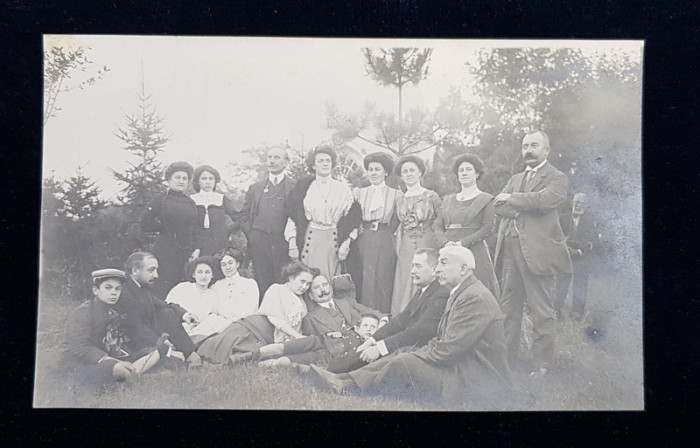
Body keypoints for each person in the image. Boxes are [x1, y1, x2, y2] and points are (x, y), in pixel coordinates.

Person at [307, 246, 511, 405]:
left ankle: (346, 386)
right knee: (402, 355)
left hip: (475, 380)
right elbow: (439, 339)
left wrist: (415, 354)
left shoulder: (473, 297)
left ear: (463, 268)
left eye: (443, 263)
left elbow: (448, 351)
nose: (437, 268)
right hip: (462, 369)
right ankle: (341, 380)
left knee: (403, 360)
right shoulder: (462, 292)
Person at [493, 131, 572, 377]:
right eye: (525, 145)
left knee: (542, 311)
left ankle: (542, 365)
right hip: (509, 251)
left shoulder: (557, 178)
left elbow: (546, 201)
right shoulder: (516, 178)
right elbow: (498, 206)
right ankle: (506, 361)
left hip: (540, 254)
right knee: (508, 309)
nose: (528, 150)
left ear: (546, 150)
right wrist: (522, 207)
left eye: (534, 145)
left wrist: (513, 200)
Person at [248, 272, 384, 371]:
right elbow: (314, 343)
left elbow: (379, 315)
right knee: (288, 358)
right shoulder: (310, 318)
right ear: (311, 296)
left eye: (325, 285)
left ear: (331, 288)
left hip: (359, 350)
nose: (323, 289)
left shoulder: (347, 302)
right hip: (330, 350)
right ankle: (251, 359)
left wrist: (378, 328)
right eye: (317, 288)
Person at [196, 260, 316, 365]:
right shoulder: (277, 289)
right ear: (291, 278)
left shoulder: (301, 302)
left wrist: (297, 338)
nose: (305, 286)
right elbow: (276, 319)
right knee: (218, 346)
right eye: (302, 281)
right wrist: (297, 336)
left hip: (267, 336)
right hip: (253, 328)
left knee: (243, 355)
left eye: (308, 284)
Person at [65, 269, 167, 385]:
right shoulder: (84, 312)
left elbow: (115, 343)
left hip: (109, 358)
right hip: (86, 363)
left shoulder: (114, 312)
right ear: (96, 290)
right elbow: (80, 348)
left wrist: (123, 355)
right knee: (117, 367)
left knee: (154, 352)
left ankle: (129, 374)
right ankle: (128, 375)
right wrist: (114, 361)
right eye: (108, 288)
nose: (114, 293)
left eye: (117, 289)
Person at [355, 248, 450, 365]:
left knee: (367, 368)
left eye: (418, 266)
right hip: (409, 348)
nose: (412, 271)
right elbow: (400, 321)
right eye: (412, 266)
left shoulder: (441, 295)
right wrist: (371, 340)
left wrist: (380, 348)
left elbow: (419, 332)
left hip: (420, 353)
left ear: (434, 270)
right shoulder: (423, 291)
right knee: (357, 358)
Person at [285, 145, 361, 282]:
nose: (325, 164)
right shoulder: (304, 188)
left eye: (328, 160)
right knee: (308, 279)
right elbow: (293, 218)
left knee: (332, 280)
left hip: (333, 241)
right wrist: (292, 244)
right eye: (320, 161)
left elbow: (352, 219)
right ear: (313, 166)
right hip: (311, 240)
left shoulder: (342, 189)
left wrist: (347, 243)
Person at [114, 252, 203, 368]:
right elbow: (136, 331)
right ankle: (189, 358)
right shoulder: (125, 293)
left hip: (145, 337)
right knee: (174, 359)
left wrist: (185, 315)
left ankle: (191, 356)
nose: (156, 275)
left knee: (167, 314)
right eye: (151, 270)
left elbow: (163, 305)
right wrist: (166, 349)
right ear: (135, 271)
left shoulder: (140, 287)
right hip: (132, 346)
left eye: (156, 270)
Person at [434, 153, 500, 298]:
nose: (464, 173)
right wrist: (446, 243)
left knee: (476, 290)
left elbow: (488, 228)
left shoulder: (486, 199)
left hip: (474, 251)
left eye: (468, 169)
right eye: (461, 170)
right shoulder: (447, 200)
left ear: (477, 173)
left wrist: (462, 243)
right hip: (449, 250)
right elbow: (438, 226)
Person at [239, 147, 296, 301]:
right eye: (269, 157)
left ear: (286, 162)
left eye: (277, 157)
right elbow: (243, 215)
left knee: (284, 282)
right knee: (262, 284)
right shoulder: (255, 188)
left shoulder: (295, 187)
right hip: (260, 243)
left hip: (283, 243)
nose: (272, 161)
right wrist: (252, 235)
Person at [351, 152, 401, 313]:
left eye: (377, 169)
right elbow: (353, 217)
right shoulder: (358, 193)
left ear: (386, 172)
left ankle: (383, 315)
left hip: (384, 238)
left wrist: (386, 232)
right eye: (370, 169)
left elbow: (396, 220)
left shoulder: (396, 195)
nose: (373, 173)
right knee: (364, 277)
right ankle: (364, 315)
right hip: (363, 238)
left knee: (383, 276)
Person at [391, 155, 441, 314]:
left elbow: (441, 221)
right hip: (406, 244)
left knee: (427, 273)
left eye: (412, 170)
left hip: (427, 241)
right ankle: (404, 316)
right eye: (404, 171)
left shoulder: (431, 196)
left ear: (420, 173)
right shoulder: (399, 200)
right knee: (406, 277)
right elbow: (393, 224)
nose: (408, 174)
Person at [141, 161, 199, 299]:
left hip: (185, 252)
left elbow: (195, 228)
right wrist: (164, 228)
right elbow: (145, 223)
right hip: (164, 251)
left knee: (183, 288)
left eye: (185, 178)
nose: (181, 181)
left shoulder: (191, 203)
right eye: (177, 177)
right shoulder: (160, 200)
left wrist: (196, 248)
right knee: (163, 288)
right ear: (169, 180)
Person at [554, 192, 602, 321]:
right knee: (561, 285)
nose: (578, 206)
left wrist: (580, 251)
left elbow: (594, 242)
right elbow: (556, 237)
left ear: (587, 206)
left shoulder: (592, 221)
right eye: (576, 202)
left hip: (582, 259)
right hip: (565, 256)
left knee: (580, 286)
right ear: (572, 203)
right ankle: (557, 313)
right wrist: (564, 248)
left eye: (582, 203)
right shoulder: (563, 218)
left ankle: (576, 316)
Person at [165, 257, 227, 342]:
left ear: (212, 275)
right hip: (179, 327)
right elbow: (167, 307)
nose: (203, 276)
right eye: (200, 272)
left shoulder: (212, 295)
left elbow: (211, 318)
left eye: (207, 272)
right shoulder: (182, 287)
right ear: (193, 274)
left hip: (199, 331)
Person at [191, 165, 240, 257]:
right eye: (204, 178)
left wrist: (227, 231)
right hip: (197, 244)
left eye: (211, 179)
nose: (208, 182)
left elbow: (239, 218)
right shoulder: (191, 200)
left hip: (219, 243)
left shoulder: (221, 198)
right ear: (198, 181)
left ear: (215, 181)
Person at [210, 247, 259, 323]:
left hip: (244, 325)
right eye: (223, 264)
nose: (227, 267)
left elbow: (251, 310)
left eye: (230, 263)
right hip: (221, 325)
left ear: (237, 264)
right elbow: (214, 311)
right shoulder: (216, 286)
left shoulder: (249, 284)